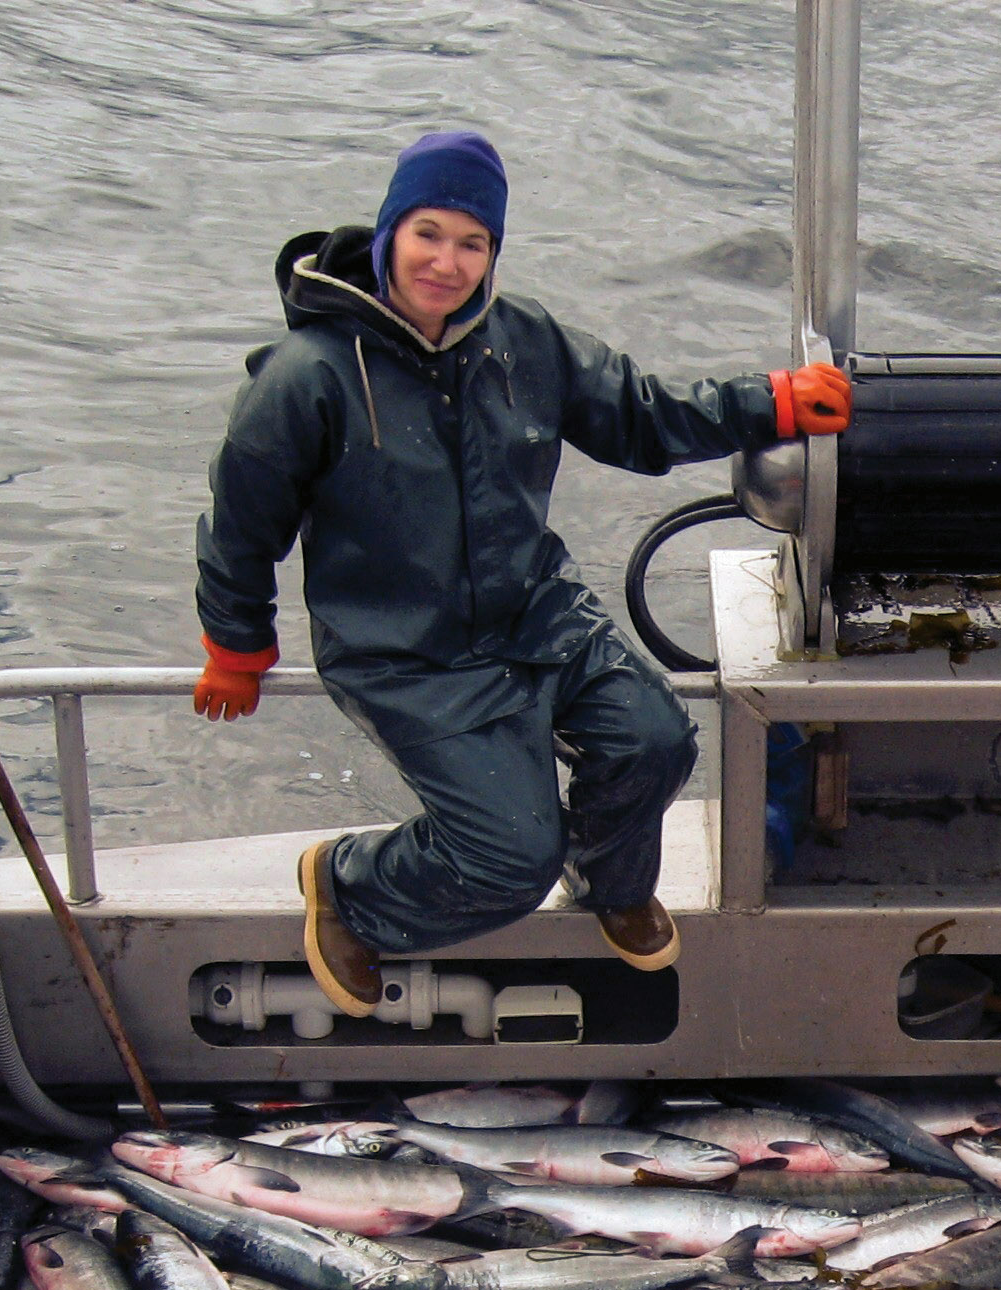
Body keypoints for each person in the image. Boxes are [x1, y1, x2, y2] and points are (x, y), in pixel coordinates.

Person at [190, 129, 849, 1012]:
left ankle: (609, 878)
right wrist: (236, 642)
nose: (447, 262)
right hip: (407, 654)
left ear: (493, 252)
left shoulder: (524, 340)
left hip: (537, 614)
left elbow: (642, 419)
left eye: (473, 242)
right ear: (391, 232)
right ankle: (349, 887)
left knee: (656, 741)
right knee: (508, 861)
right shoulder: (307, 376)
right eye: (429, 233)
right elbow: (241, 520)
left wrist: (768, 402)